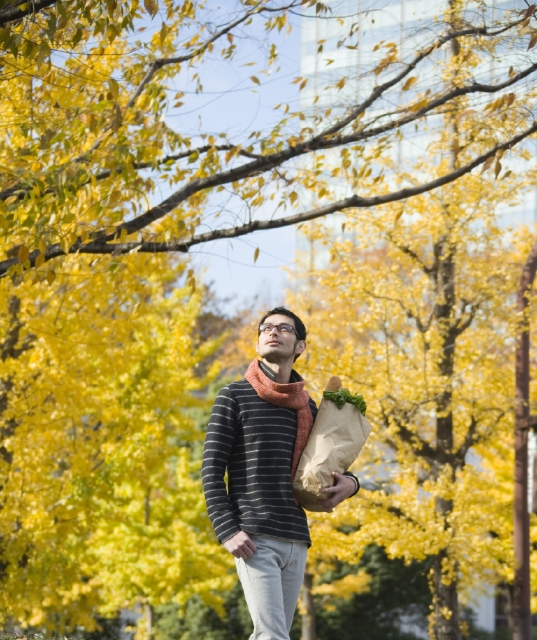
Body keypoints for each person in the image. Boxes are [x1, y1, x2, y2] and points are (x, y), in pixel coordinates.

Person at [202, 306, 360, 640]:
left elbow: (328, 462)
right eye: (266, 328)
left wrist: (352, 483)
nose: (272, 332)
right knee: (272, 636)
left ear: (300, 346)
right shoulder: (233, 396)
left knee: (274, 636)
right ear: (259, 341)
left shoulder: (308, 406)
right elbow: (211, 471)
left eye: (283, 329)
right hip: (253, 536)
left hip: (296, 538)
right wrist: (227, 530)